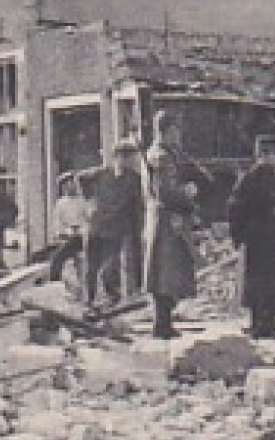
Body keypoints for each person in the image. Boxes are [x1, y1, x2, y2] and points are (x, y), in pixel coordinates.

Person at [227, 135, 275, 340]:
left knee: (271, 284)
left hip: (272, 239)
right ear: (264, 154)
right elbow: (235, 208)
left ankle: (268, 324)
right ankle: (259, 326)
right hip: (260, 240)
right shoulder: (252, 178)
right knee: (260, 284)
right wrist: (241, 235)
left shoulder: (271, 176)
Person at [142, 110, 200, 339]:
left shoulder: (163, 154)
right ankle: (161, 324)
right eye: (176, 129)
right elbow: (166, 191)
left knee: (165, 272)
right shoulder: (162, 157)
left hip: (163, 219)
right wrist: (187, 194)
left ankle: (164, 322)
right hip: (167, 222)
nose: (179, 135)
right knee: (166, 273)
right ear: (166, 131)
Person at [81, 140, 144, 312]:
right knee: (90, 267)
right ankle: (89, 301)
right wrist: (89, 201)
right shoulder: (101, 174)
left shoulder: (134, 180)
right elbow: (79, 178)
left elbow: (138, 206)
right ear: (118, 158)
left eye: (133, 158)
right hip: (95, 226)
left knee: (110, 267)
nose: (132, 162)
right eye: (129, 158)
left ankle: (112, 299)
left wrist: (137, 228)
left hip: (116, 229)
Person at [47, 173, 90, 286]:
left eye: (72, 183)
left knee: (62, 255)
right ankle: (54, 283)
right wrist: (66, 231)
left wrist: (81, 230)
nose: (70, 186)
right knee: (55, 257)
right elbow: (57, 224)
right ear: (63, 187)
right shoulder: (60, 204)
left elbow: (88, 220)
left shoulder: (82, 202)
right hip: (66, 237)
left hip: (81, 237)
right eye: (66, 184)